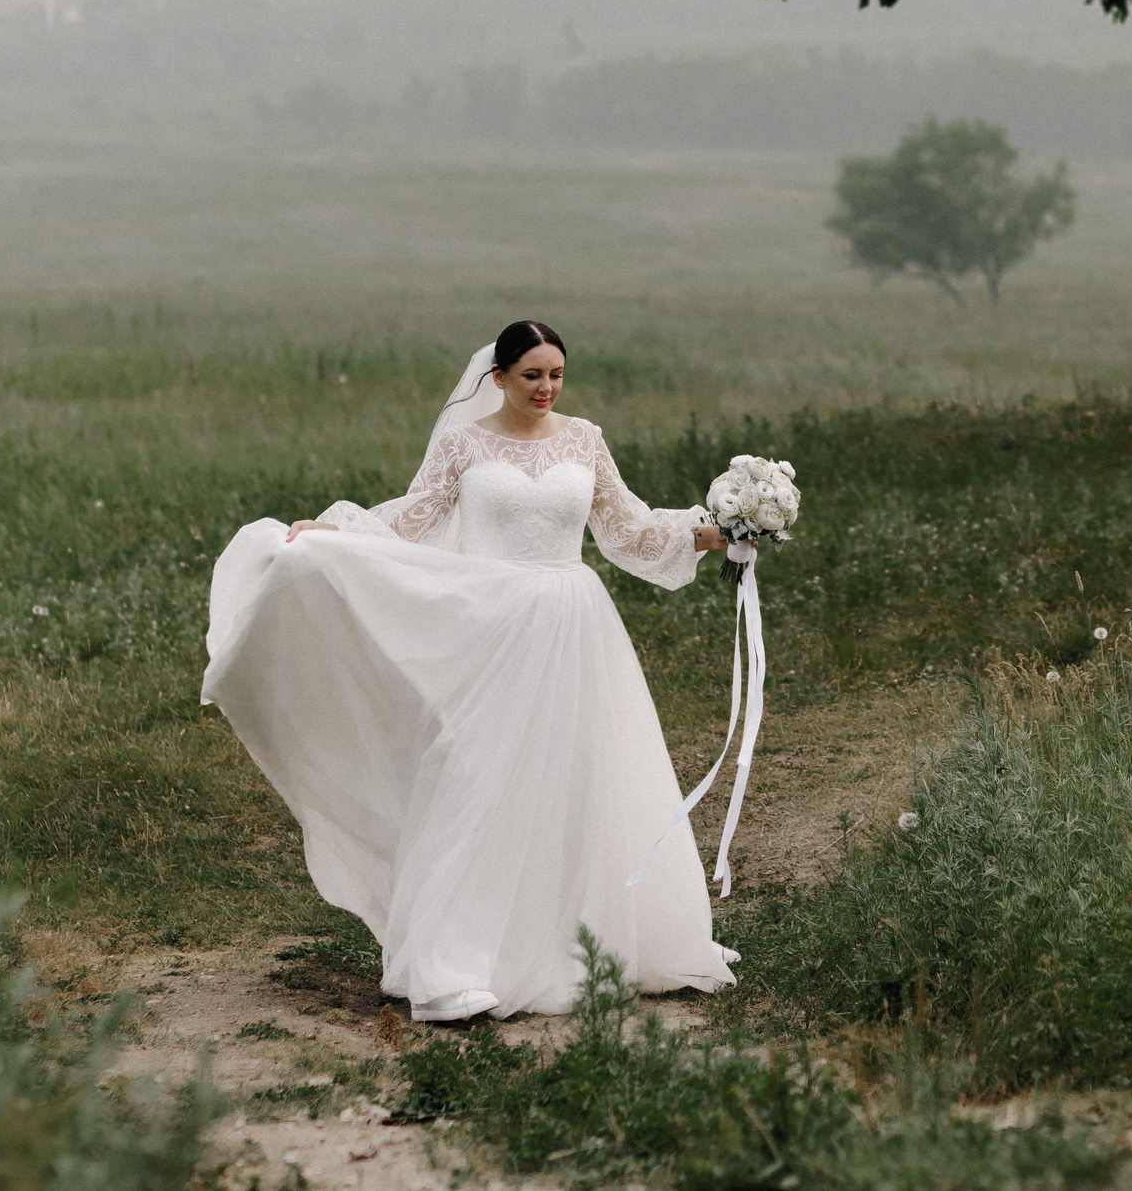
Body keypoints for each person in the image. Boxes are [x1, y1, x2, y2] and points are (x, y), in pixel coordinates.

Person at [202, 320, 737, 1021]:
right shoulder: (464, 442)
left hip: (574, 622)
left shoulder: (585, 438)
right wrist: (335, 536)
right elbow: (412, 522)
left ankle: (596, 942)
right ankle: (453, 962)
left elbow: (626, 529)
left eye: (556, 375)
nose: (546, 388)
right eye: (531, 375)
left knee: (582, 776)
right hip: (491, 623)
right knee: (478, 774)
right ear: (499, 377)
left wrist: (715, 529)